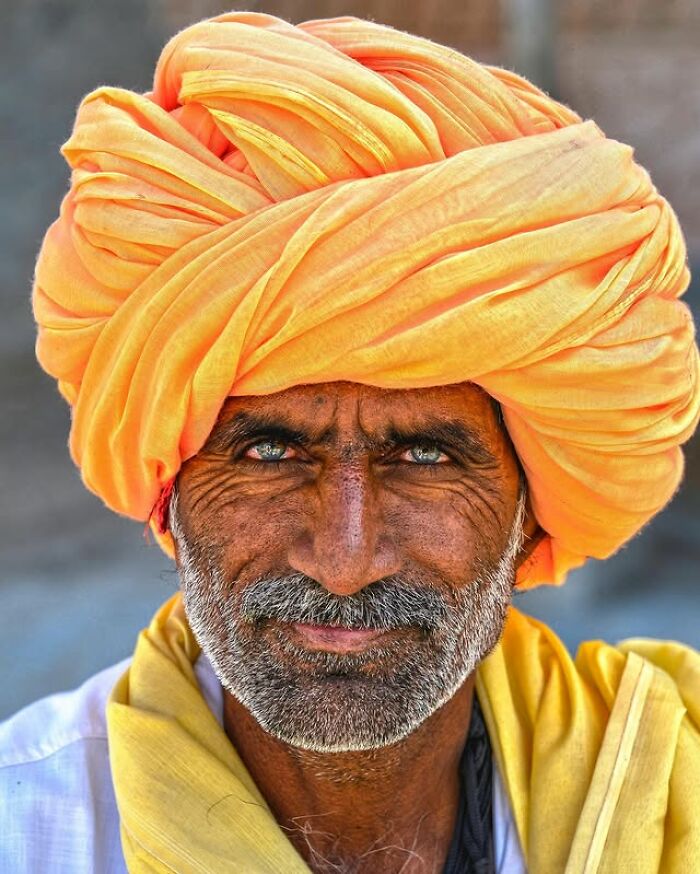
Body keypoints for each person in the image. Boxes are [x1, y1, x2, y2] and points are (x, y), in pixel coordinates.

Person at [1, 11, 698, 873]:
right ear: (167, 493)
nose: (344, 558)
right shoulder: (26, 826)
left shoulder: (674, 788)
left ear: (530, 515)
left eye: (426, 457)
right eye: (268, 453)